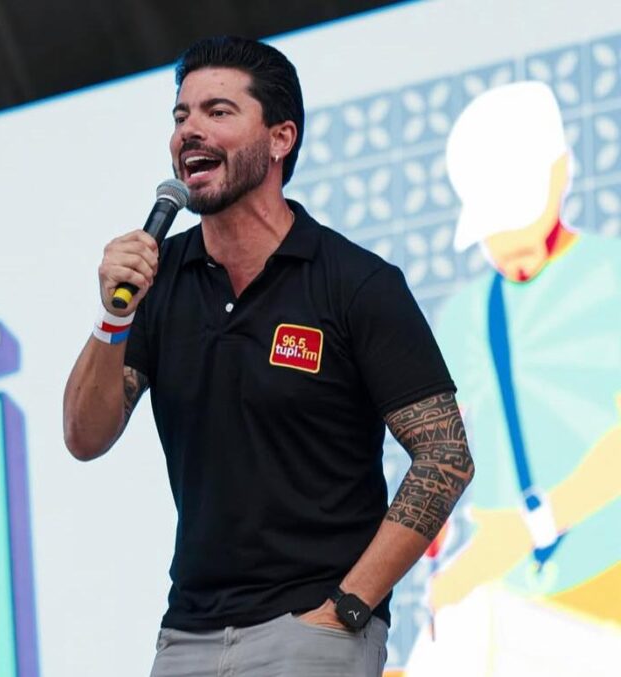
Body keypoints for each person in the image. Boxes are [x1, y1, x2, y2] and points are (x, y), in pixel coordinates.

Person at [63, 36, 474, 677]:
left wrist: (348, 608)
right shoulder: (158, 280)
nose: (189, 130)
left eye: (218, 111)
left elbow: (445, 455)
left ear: (281, 138)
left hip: (312, 631)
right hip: (186, 635)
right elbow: (85, 437)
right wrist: (114, 315)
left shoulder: (354, 283)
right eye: (181, 115)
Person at [427, 81, 621, 626]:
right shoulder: (465, 314)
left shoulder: (610, 273)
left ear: (561, 173)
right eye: (492, 227)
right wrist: (429, 516)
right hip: (504, 598)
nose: (507, 243)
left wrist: (531, 527)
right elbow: (441, 444)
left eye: (516, 213)